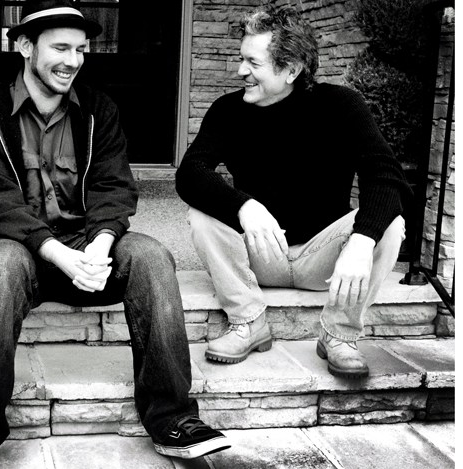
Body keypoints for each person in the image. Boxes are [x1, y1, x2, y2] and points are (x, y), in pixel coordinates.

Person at [0, 1, 230, 467]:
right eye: (60, 48)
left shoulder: (98, 111)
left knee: (152, 255)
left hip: (86, 247)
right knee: (3, 263)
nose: (72, 60)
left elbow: (115, 186)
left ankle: (173, 418)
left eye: (80, 49)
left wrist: (101, 244)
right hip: (22, 249)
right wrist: (58, 254)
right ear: (25, 46)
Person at [176, 5, 411, 379]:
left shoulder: (341, 105)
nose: (240, 71)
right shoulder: (228, 111)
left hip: (323, 258)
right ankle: (248, 322)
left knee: (390, 224)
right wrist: (244, 207)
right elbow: (190, 173)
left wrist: (363, 240)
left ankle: (339, 335)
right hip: (260, 253)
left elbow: (386, 177)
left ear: (291, 70)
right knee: (201, 213)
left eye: (253, 63)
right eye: (241, 59)